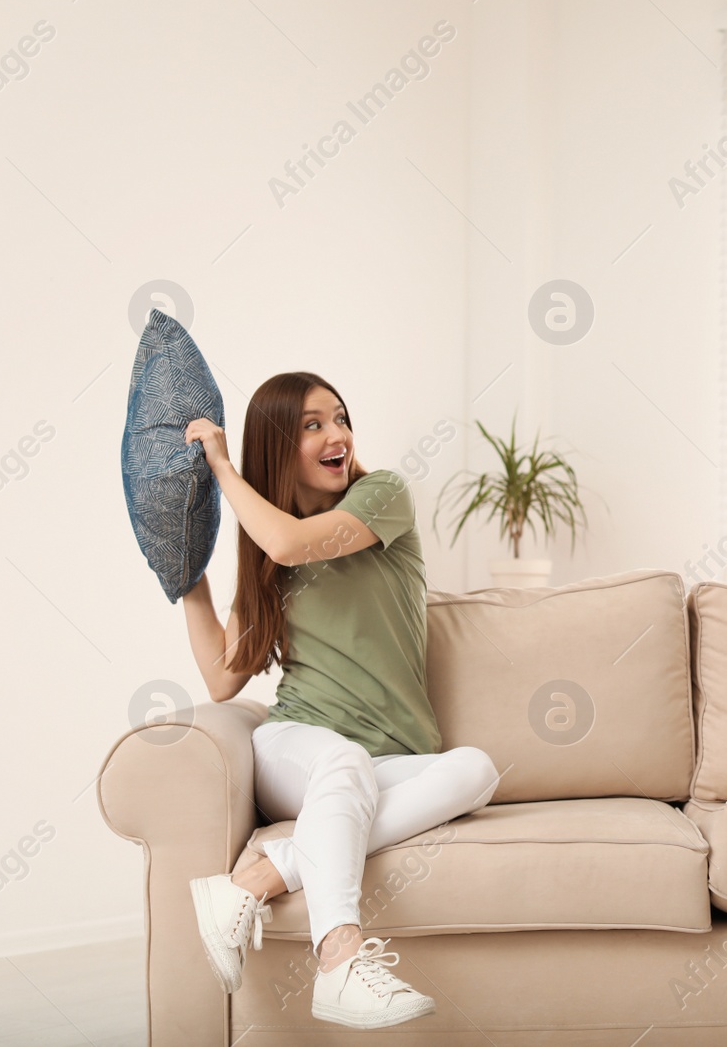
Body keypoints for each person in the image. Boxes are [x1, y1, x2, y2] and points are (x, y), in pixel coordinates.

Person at [178, 371, 501, 1029]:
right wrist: (187, 578)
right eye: (313, 424)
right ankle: (341, 960)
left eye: (341, 417)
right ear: (277, 446)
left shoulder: (381, 496)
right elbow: (221, 679)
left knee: (476, 769)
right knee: (343, 761)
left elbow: (293, 541)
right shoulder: (267, 555)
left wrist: (221, 468)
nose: (339, 436)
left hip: (389, 760)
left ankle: (252, 883)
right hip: (296, 744)